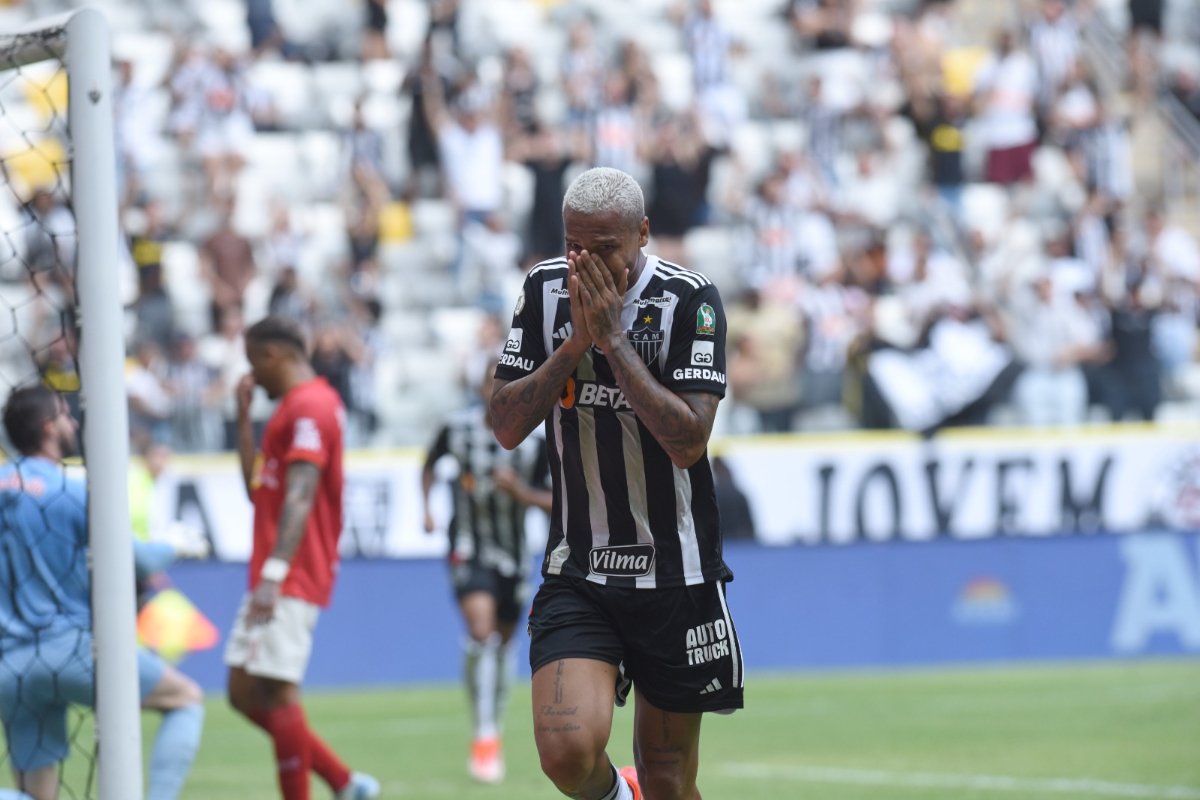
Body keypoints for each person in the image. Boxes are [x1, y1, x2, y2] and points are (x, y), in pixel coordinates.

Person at [490, 166, 745, 800]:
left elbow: (688, 440)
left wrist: (613, 341)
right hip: (581, 569)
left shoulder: (690, 300)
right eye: (576, 244)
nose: (588, 261)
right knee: (566, 752)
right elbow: (504, 423)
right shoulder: (544, 291)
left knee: (668, 777)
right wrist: (577, 341)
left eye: (606, 248)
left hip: (674, 572)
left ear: (644, 234)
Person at [0, 384, 205, 800]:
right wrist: (177, 545)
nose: (73, 421)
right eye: (64, 414)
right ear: (47, 427)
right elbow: (140, 562)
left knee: (38, 795)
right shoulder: (72, 491)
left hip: (10, 666)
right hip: (71, 649)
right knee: (185, 699)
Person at [222, 316, 379, 800]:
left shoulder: (311, 406)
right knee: (244, 692)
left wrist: (274, 573)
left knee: (276, 688)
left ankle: (325, 789)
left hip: (290, 570)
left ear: (274, 356)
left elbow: (302, 494)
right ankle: (344, 783)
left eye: (254, 363)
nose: (252, 375)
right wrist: (244, 417)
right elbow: (258, 488)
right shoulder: (292, 408)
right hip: (277, 570)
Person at [421, 359, 551, 784]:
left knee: (504, 643)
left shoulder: (533, 441)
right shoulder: (456, 430)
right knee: (482, 633)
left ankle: (492, 719)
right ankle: (484, 734)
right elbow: (428, 465)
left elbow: (558, 500)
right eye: (490, 385)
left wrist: (521, 493)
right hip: (468, 548)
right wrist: (427, 509)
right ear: (479, 389)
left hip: (513, 555)